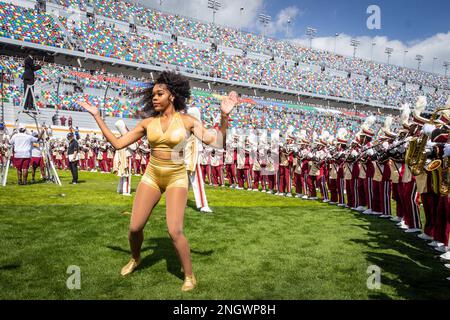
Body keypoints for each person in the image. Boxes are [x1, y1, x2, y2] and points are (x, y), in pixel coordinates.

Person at [77, 71, 238, 292]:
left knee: (174, 231)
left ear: (171, 96)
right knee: (134, 227)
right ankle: (135, 258)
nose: (154, 98)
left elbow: (217, 141)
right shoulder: (147, 123)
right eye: (153, 94)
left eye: (159, 93)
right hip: (152, 176)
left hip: (176, 177)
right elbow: (117, 143)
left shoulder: (188, 121)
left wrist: (224, 116)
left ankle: (189, 276)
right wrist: (97, 115)